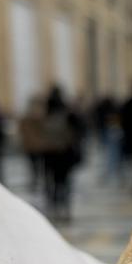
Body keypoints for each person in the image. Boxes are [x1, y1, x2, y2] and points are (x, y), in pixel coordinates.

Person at [43, 86, 81, 221]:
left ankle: (54, 208)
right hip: (64, 154)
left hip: (50, 154)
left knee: (52, 182)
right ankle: (65, 209)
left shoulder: (45, 113)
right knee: (65, 182)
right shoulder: (67, 113)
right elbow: (77, 131)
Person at [18, 96, 49, 192]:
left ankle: (36, 183)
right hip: (37, 146)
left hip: (33, 146)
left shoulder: (27, 118)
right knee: (37, 167)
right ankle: (37, 183)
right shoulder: (39, 117)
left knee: (35, 167)